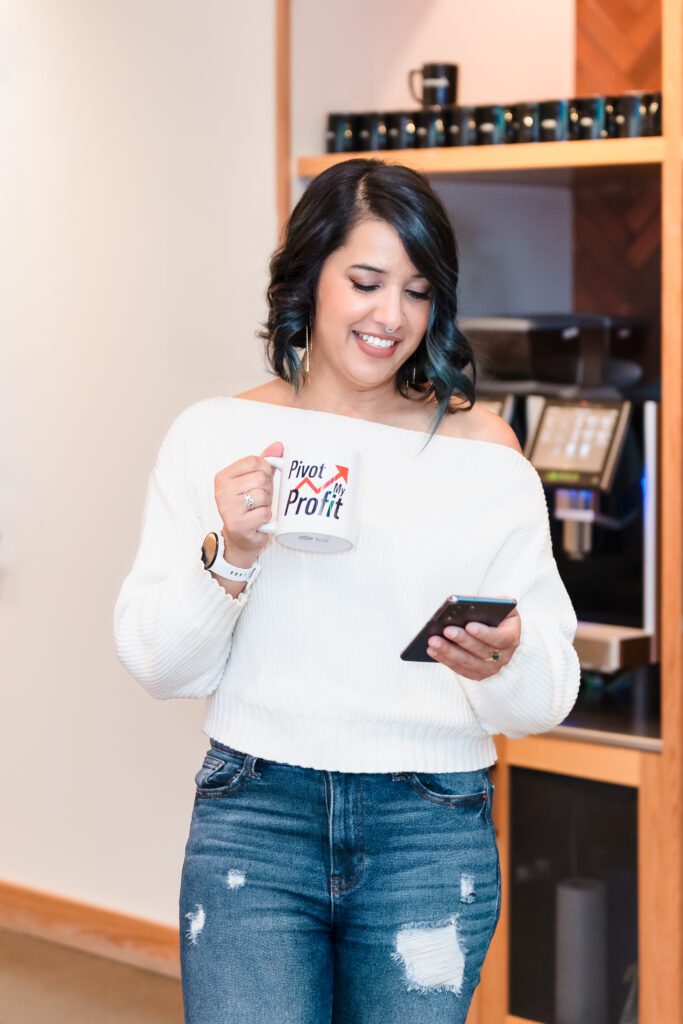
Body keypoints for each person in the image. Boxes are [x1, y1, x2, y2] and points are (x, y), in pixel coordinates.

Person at [113, 158, 580, 1024]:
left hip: (430, 828)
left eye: (416, 290)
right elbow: (158, 664)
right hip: (255, 814)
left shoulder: (484, 453)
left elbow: (548, 692)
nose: (390, 316)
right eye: (365, 281)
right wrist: (232, 555)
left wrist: (501, 661)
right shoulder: (217, 434)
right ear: (308, 280)